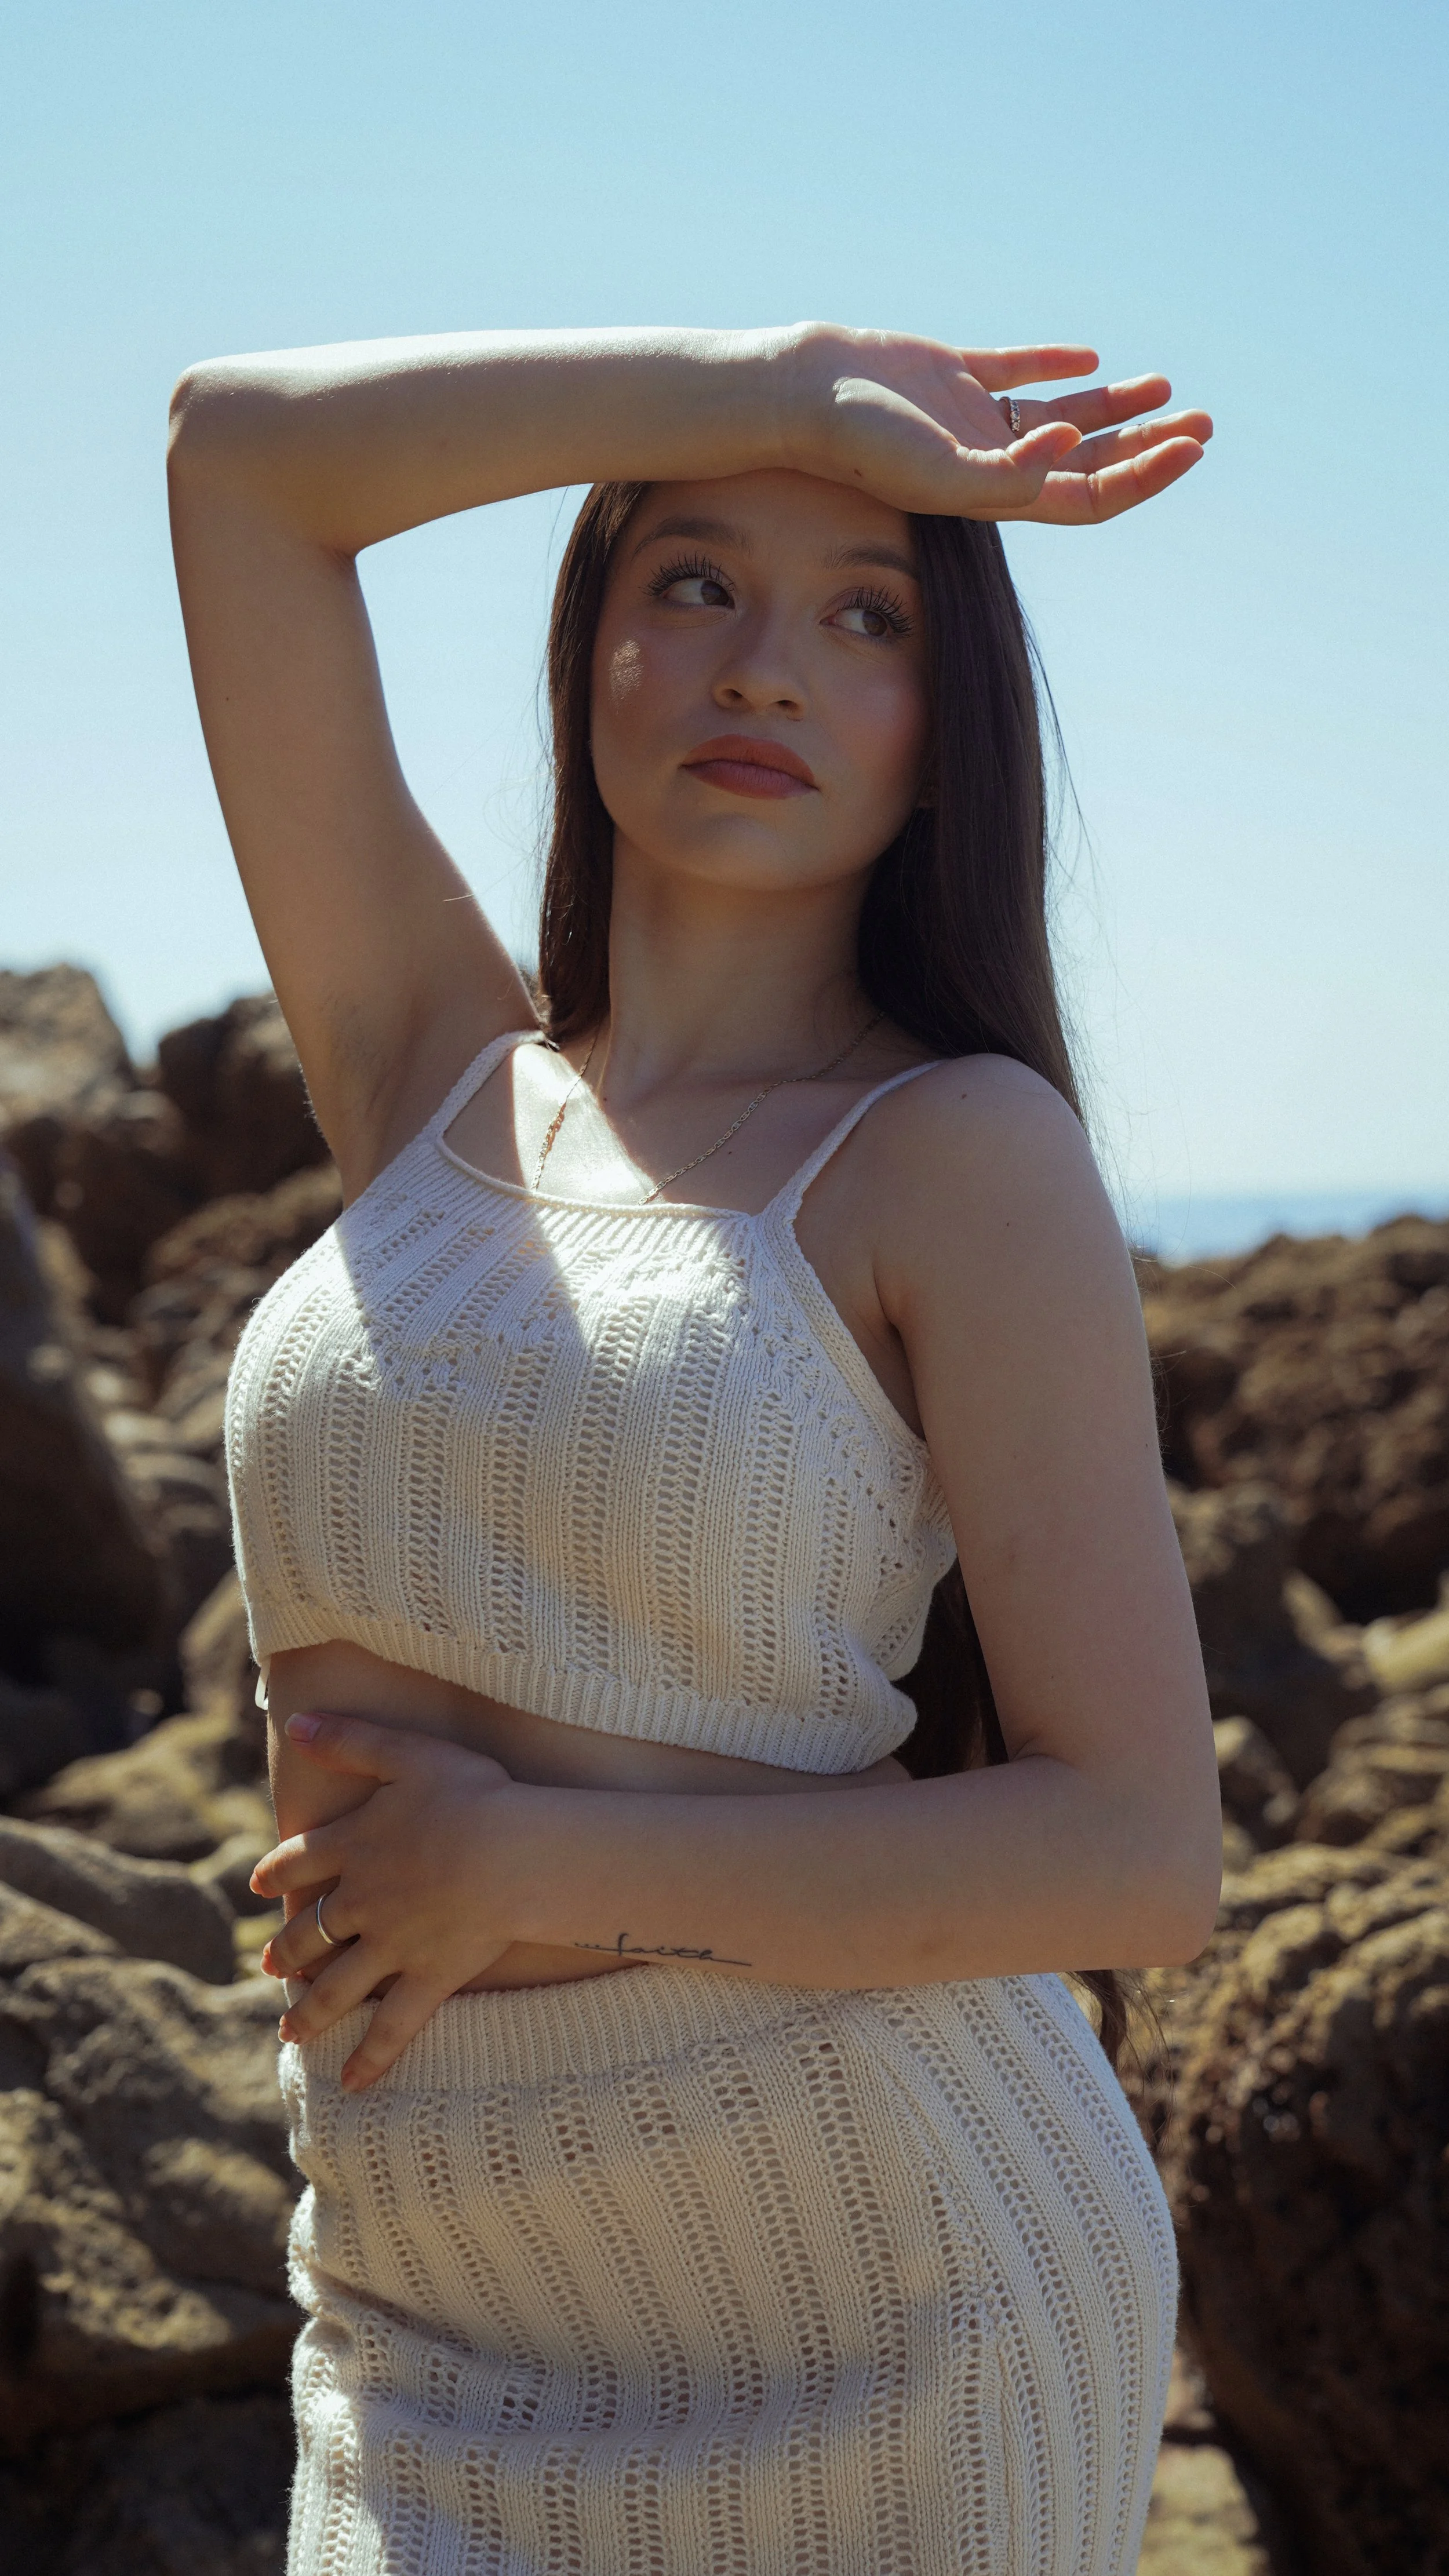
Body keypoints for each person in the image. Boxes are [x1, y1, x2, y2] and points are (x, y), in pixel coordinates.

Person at [167, 322, 1221, 2576]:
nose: (765, 667)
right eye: (690, 585)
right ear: (587, 655)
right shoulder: (425, 1071)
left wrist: (525, 1865)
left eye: (866, 617)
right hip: (420, 2292)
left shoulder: (952, 1156)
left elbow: (1136, 1848)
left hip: (880, 2298)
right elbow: (243, 463)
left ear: (944, 738)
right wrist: (784, 385)